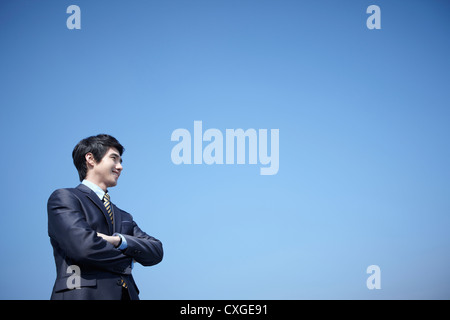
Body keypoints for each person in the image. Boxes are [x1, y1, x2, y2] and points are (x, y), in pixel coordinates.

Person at [47, 134, 163, 300]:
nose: (120, 166)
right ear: (91, 159)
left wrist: (118, 241)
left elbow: (156, 250)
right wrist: (130, 258)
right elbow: (83, 247)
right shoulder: (65, 198)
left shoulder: (124, 216)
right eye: (114, 159)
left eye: (121, 161)